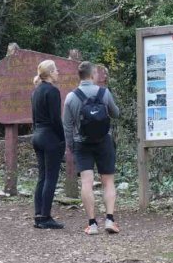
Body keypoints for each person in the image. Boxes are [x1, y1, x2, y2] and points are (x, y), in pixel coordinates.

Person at [63, 62, 121, 235]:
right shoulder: (104, 93)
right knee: (108, 181)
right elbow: (116, 113)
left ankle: (92, 224)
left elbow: (67, 126)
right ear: (92, 74)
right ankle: (110, 220)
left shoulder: (71, 97)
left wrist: (71, 146)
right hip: (104, 141)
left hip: (81, 143)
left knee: (86, 182)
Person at [31, 59, 66, 229]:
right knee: (51, 178)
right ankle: (45, 217)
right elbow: (55, 119)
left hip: (37, 135)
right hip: (50, 137)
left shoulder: (36, 91)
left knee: (42, 177)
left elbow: (34, 118)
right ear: (51, 73)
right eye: (56, 70)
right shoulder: (52, 91)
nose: (58, 72)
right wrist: (62, 138)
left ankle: (38, 215)